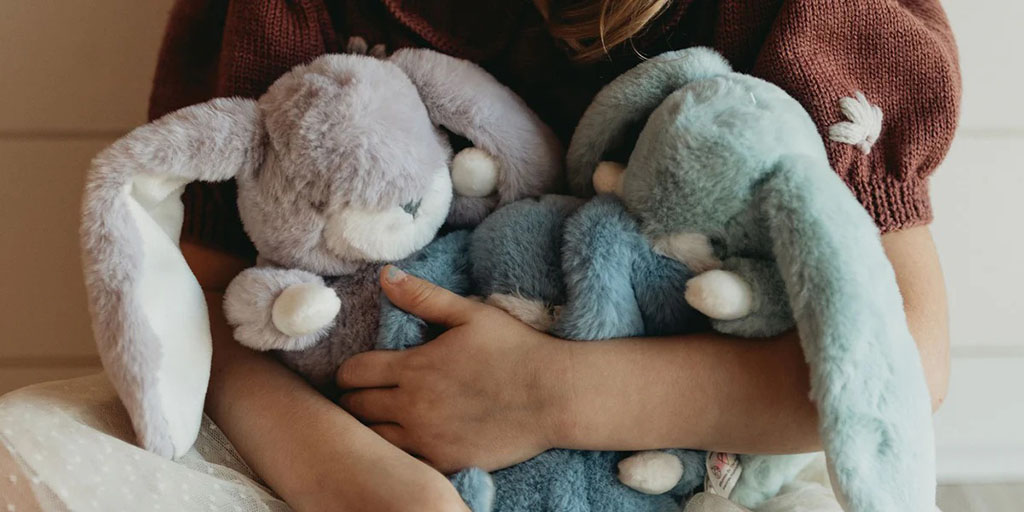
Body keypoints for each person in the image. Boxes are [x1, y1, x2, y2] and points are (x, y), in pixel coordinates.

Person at [0, 1, 958, 511]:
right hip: (354, 443)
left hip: (680, 461)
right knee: (27, 453)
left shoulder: (808, 18)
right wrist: (363, 487)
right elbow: (205, 295)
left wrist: (547, 398)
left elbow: (901, 357)